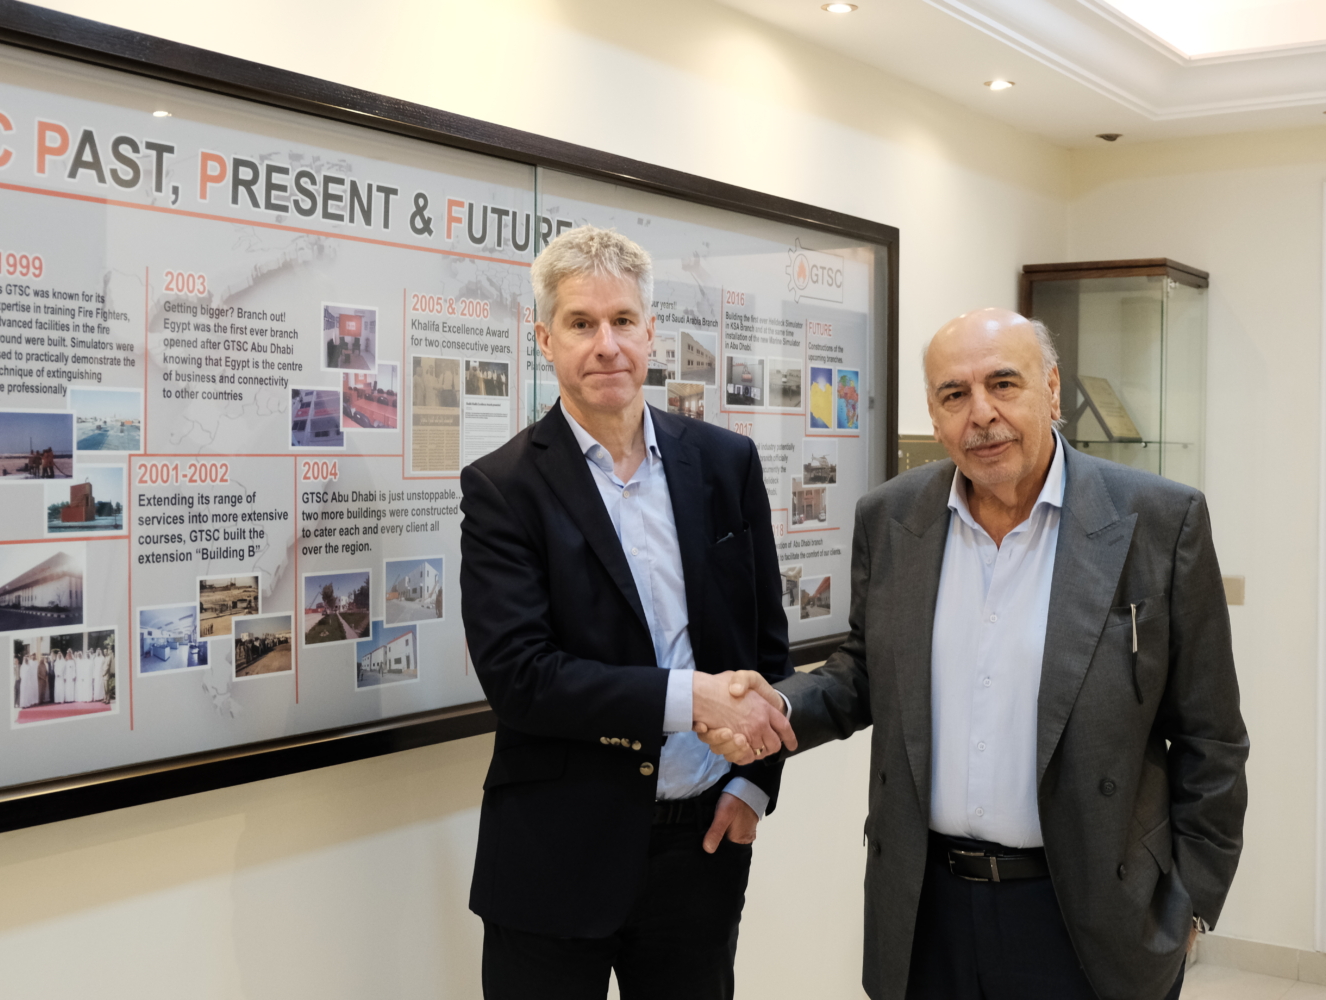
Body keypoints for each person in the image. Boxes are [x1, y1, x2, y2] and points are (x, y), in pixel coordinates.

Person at [702, 308, 1248, 1000]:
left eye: (1003, 384)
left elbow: (1212, 738)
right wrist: (775, 707)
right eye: (954, 395)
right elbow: (863, 674)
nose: (980, 415)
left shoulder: (1159, 521)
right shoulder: (892, 518)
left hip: (1091, 913)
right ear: (933, 415)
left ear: (1052, 391)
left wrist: (1191, 905)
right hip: (928, 911)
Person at [460, 225, 796, 1000]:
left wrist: (754, 785)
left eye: (622, 321)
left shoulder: (724, 463)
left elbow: (765, 647)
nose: (606, 344)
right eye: (581, 324)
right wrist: (692, 699)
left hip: (700, 851)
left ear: (651, 332)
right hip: (555, 854)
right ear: (545, 338)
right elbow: (521, 679)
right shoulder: (503, 487)